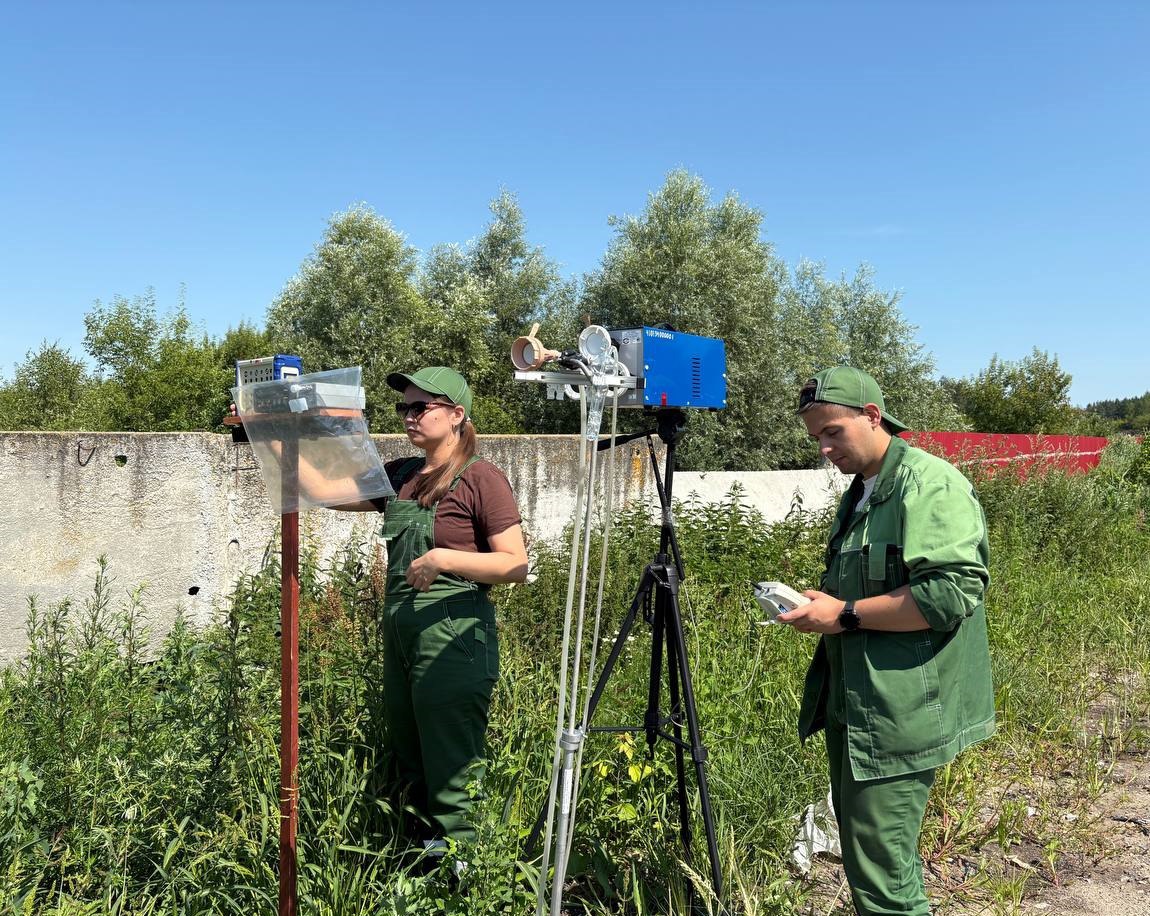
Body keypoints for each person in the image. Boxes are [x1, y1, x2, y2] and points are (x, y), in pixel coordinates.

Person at [778, 366, 995, 916]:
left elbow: (948, 595)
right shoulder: (862, 491)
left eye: (833, 432)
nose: (824, 448)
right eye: (816, 438)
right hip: (857, 704)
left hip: (900, 713)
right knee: (870, 859)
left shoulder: (928, 483)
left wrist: (844, 613)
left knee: (883, 880)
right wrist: (825, 601)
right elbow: (874, 586)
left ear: (872, 417)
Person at [311, 366, 528, 853]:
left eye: (420, 407)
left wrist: (444, 558)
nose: (408, 417)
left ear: (456, 414)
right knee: (408, 752)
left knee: (450, 761)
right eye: (403, 408)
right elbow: (327, 491)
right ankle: (417, 860)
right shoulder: (401, 475)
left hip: (453, 635)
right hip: (402, 635)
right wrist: (269, 433)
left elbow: (514, 563)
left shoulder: (481, 478)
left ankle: (466, 872)